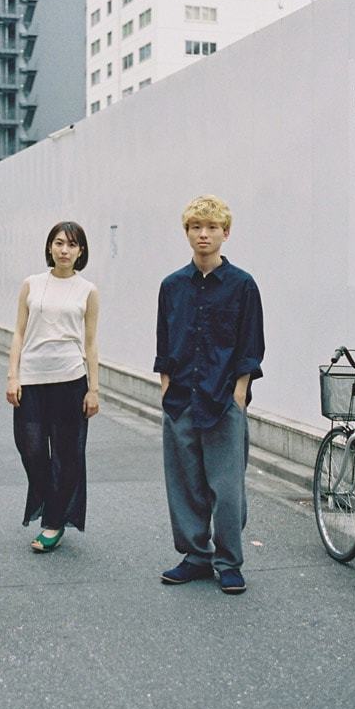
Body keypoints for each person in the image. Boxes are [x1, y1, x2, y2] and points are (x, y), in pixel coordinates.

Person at [154, 195, 264, 595]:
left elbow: (251, 344)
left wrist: (239, 394)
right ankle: (196, 557)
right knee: (185, 484)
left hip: (223, 399)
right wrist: (166, 387)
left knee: (227, 487)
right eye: (196, 227)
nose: (204, 234)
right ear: (186, 232)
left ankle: (229, 561)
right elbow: (164, 340)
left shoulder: (242, 285)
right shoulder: (172, 286)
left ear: (225, 233)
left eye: (212, 227)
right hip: (181, 397)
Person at [6, 222, 99, 552]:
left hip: (71, 379)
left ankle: (54, 522)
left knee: (67, 454)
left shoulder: (87, 290)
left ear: (81, 251)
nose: (64, 250)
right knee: (30, 449)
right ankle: (52, 502)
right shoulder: (31, 284)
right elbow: (19, 332)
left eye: (72, 245)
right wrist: (13, 376)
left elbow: (90, 343)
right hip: (31, 379)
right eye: (59, 243)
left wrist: (94, 389)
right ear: (49, 247)